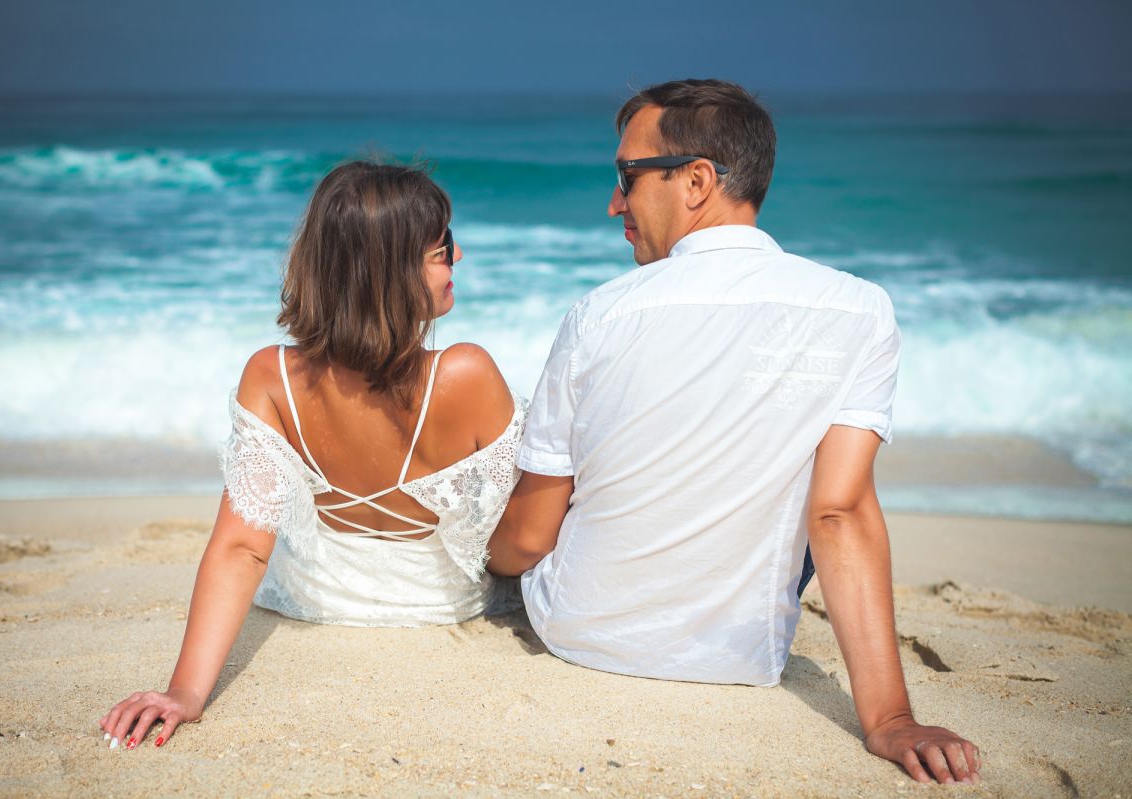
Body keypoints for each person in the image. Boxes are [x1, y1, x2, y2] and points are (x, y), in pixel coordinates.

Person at [488, 79, 981, 786]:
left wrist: (487, 564)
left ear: (696, 181)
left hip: (578, 632)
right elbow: (837, 513)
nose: (614, 202)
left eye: (627, 177)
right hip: (737, 655)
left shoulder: (598, 313)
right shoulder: (859, 310)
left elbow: (532, 535)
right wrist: (891, 720)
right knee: (803, 472)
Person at [99, 161, 526, 750]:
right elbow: (515, 538)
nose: (459, 257)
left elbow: (243, 545)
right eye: (441, 248)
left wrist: (186, 691)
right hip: (440, 606)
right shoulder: (466, 374)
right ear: (390, 274)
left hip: (309, 600)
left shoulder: (271, 376)